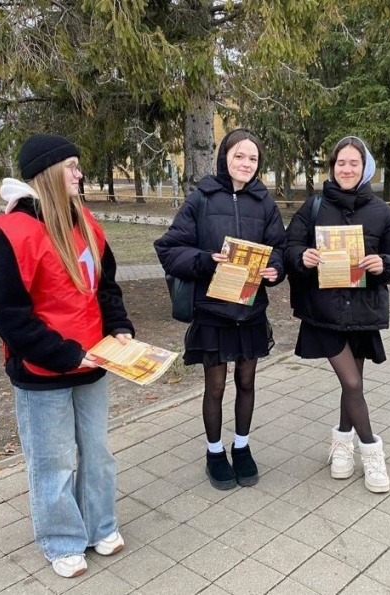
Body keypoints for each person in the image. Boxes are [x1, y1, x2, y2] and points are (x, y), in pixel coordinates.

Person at [0, 134, 134, 578]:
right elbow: (10, 317)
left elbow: (106, 286)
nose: (80, 174)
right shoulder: (13, 234)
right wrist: (66, 355)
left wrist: (118, 328)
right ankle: (61, 540)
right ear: (47, 174)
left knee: (97, 453)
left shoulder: (86, 223)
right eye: (72, 166)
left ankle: (100, 525)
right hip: (43, 371)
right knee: (53, 461)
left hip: (93, 365)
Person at [155, 129, 286, 490]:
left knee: (247, 381)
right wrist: (205, 260)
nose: (245, 164)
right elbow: (168, 249)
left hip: (250, 311)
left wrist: (276, 269)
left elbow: (279, 248)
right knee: (215, 387)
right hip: (213, 311)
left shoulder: (265, 203)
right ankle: (214, 452)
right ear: (224, 156)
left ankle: (241, 447)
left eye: (253, 158)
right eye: (239, 156)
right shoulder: (201, 199)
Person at [284, 136, 390, 493]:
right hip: (323, 312)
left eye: (354, 163)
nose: (347, 169)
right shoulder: (313, 207)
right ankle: (372, 451)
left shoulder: (381, 212)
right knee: (353, 383)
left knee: (350, 385)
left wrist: (384, 263)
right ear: (332, 167)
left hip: (362, 312)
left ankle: (342, 441)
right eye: (341, 162)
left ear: (365, 168)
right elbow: (288, 247)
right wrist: (302, 258)